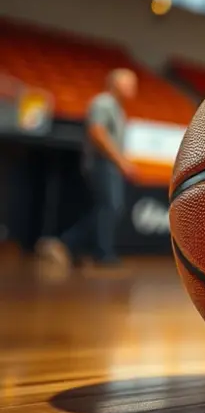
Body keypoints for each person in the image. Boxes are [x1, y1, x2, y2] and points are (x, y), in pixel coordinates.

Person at [38, 68, 138, 271]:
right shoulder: (103, 103)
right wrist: (120, 161)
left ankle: (72, 247)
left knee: (107, 209)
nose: (133, 88)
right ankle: (96, 253)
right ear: (115, 83)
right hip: (102, 163)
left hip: (109, 164)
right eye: (129, 83)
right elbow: (97, 132)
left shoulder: (118, 109)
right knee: (110, 207)